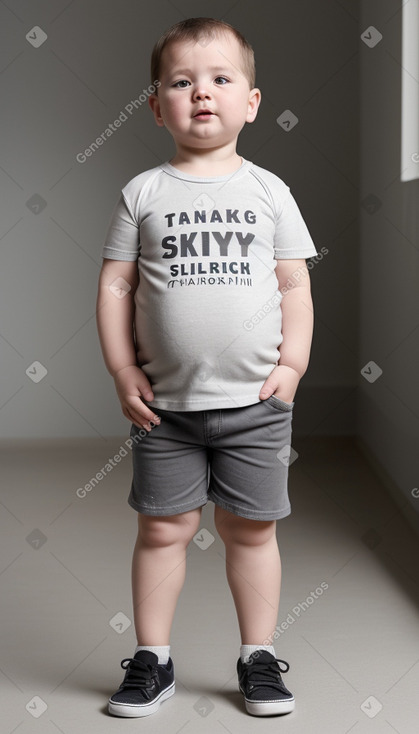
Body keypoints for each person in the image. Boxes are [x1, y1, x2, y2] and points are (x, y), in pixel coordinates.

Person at [96, 16, 317, 719]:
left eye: (221, 79)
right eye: (181, 82)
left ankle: (257, 655)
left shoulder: (269, 191)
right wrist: (122, 370)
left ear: (250, 102)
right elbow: (114, 288)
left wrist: (294, 363)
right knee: (162, 531)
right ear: (157, 106)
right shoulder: (142, 193)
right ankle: (152, 661)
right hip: (165, 407)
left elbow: (293, 286)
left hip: (255, 404)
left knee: (251, 531)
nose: (201, 94)